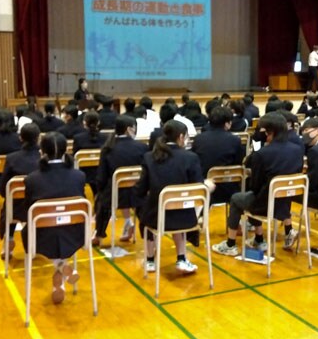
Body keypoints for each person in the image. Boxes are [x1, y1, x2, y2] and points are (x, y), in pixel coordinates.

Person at [212, 112, 304, 256]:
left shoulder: (262, 154)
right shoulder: (297, 150)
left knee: (237, 199)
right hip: (285, 204)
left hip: (265, 205)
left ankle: (230, 244)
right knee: (255, 195)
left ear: (269, 131)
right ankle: (259, 239)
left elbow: (255, 187)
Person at [134, 120, 208, 274]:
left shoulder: (149, 157)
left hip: (156, 217)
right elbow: (198, 186)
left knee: (145, 210)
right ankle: (181, 258)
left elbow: (141, 189)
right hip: (186, 217)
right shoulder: (191, 157)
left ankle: (149, 260)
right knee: (178, 207)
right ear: (181, 137)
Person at [24, 132, 87, 304]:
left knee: (40, 229)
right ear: (66, 151)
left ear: (42, 151)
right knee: (62, 229)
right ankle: (61, 270)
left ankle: (60, 266)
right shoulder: (79, 176)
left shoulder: (32, 179)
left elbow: (27, 212)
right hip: (75, 234)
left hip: (42, 236)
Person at [93, 116, 148, 245]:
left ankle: (99, 235)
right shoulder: (142, 147)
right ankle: (150, 237)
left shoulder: (108, 149)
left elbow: (101, 177)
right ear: (129, 129)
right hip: (138, 194)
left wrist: (100, 192)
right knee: (143, 202)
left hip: (114, 195)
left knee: (101, 201)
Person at [0, 122, 41, 258]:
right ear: (38, 138)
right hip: (40, 208)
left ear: (20, 138)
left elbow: (3, 188)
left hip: (16, 207)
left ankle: (9, 239)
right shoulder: (45, 158)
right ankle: (35, 242)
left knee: (10, 203)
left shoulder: (12, 158)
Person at [191, 106, 244, 207]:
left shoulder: (199, 139)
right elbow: (238, 163)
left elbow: (196, 162)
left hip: (205, 185)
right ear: (227, 123)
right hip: (229, 188)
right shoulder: (235, 140)